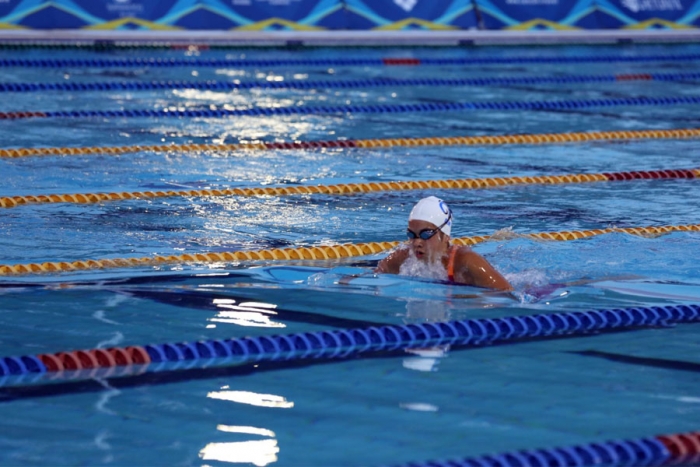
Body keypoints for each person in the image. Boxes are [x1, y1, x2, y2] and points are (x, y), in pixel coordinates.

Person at [376, 196, 512, 291]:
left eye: (426, 234)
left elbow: (507, 293)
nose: (417, 242)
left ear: (445, 235)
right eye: (412, 235)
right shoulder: (403, 258)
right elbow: (372, 277)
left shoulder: (467, 262)